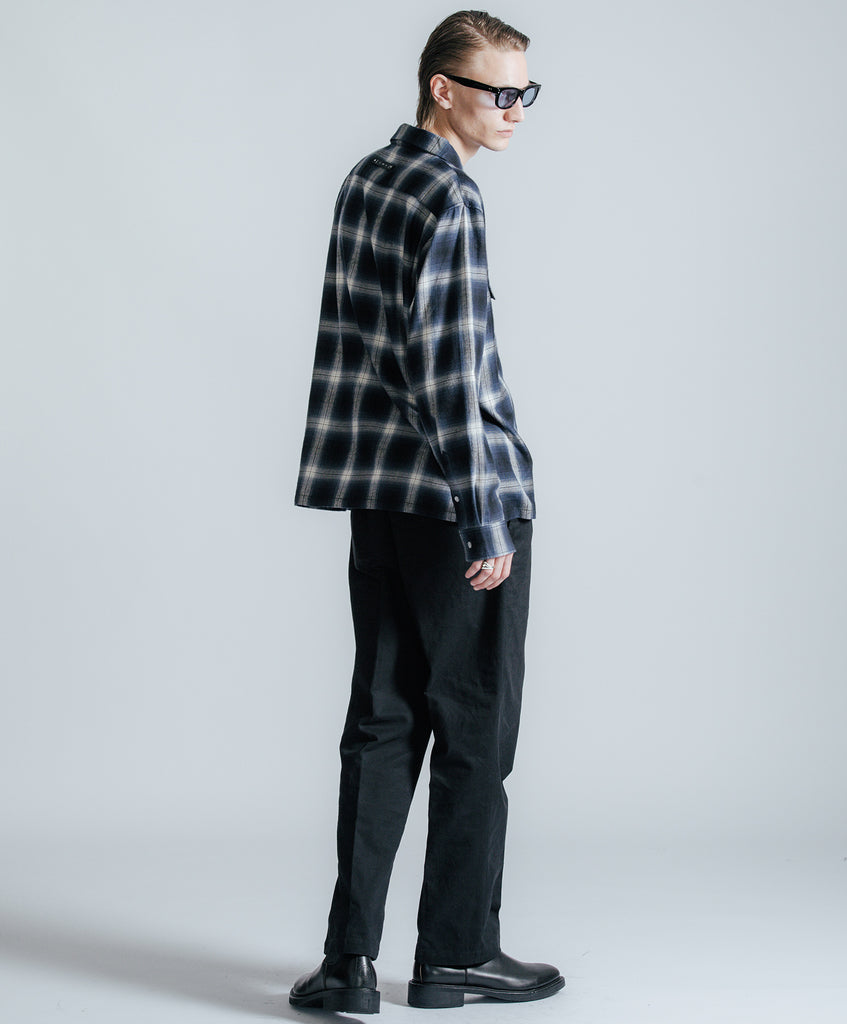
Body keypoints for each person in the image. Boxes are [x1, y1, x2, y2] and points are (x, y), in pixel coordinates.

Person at [290, 10, 563, 1014]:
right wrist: (484, 516)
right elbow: (446, 371)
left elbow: (366, 354)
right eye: (500, 90)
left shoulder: (368, 178)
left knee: (380, 720)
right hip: (454, 501)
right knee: (475, 729)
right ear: (442, 88)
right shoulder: (448, 193)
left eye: (526, 91)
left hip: (378, 499)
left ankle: (347, 964)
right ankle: (456, 954)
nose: (516, 109)